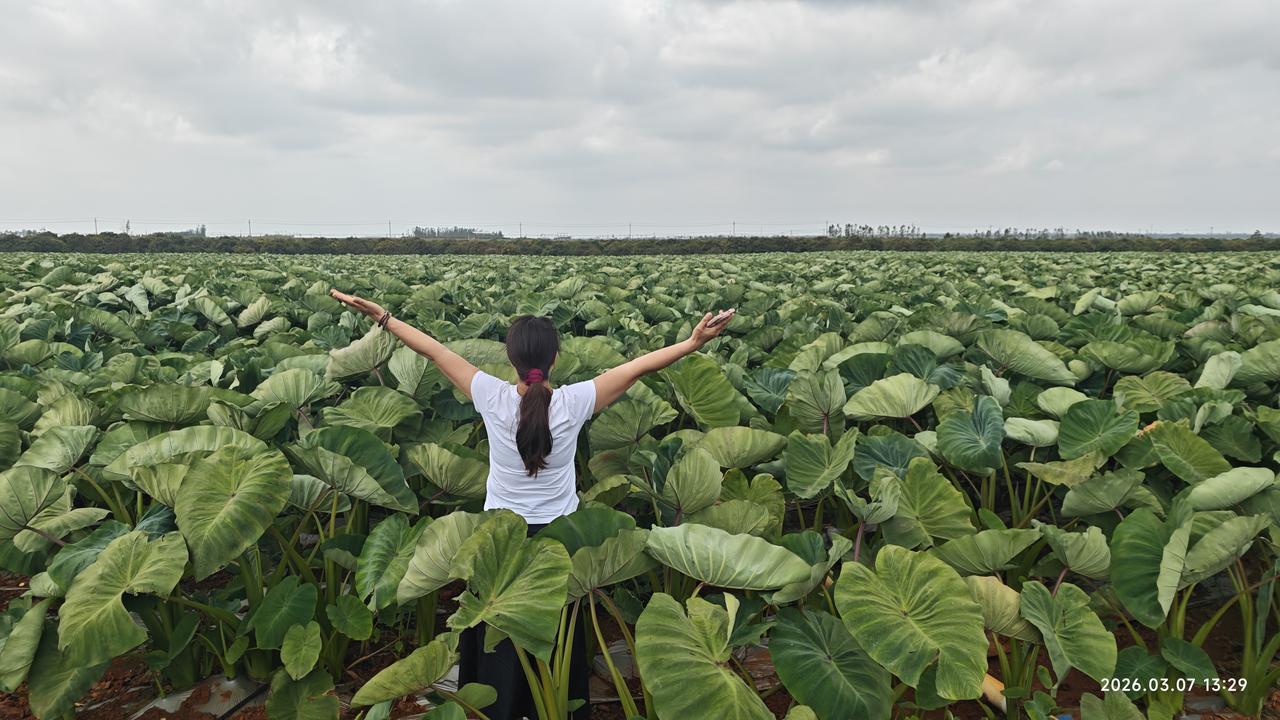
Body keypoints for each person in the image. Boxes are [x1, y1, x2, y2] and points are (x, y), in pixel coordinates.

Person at [329, 288, 733, 720]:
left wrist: (384, 316)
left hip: (501, 538)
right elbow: (637, 368)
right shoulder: (573, 402)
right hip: (559, 541)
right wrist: (693, 343)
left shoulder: (492, 395)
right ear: (555, 359)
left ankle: (499, 709)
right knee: (555, 632)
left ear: (511, 359)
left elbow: (433, 350)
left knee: (497, 627)